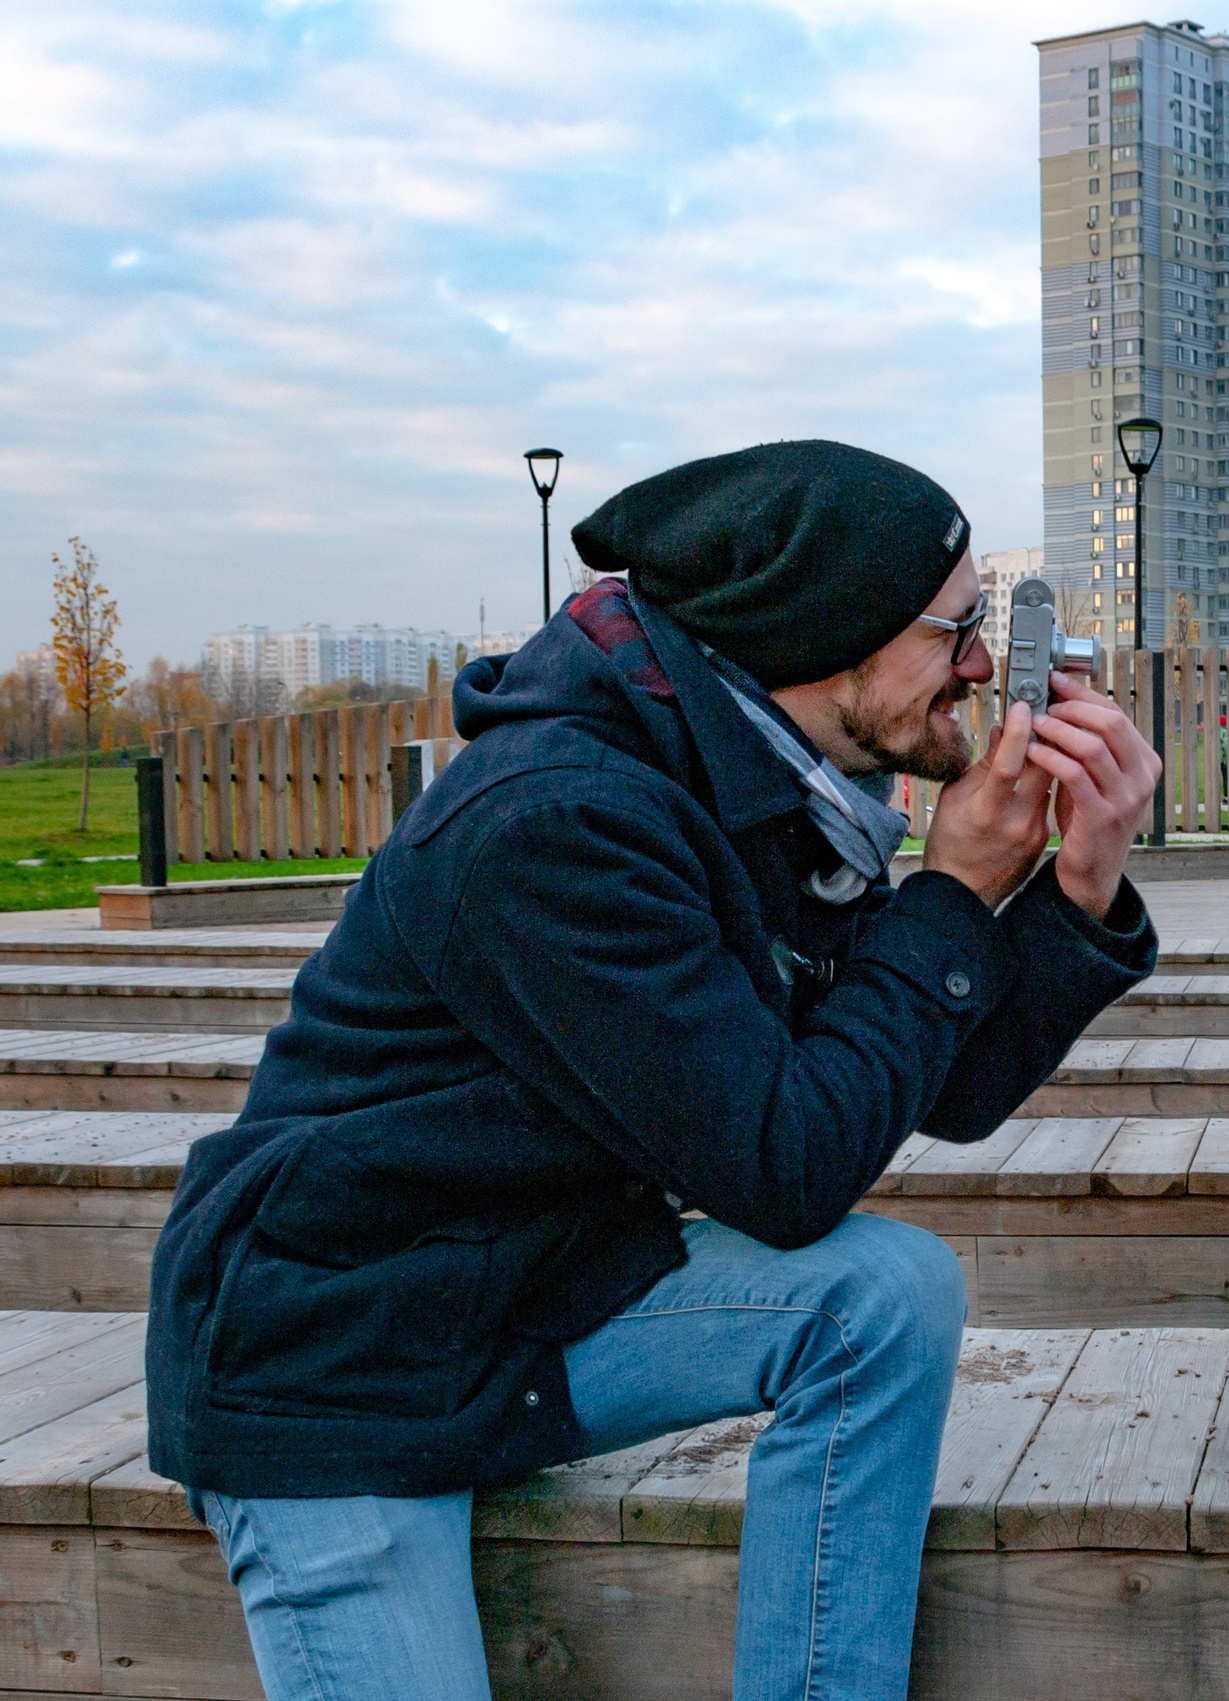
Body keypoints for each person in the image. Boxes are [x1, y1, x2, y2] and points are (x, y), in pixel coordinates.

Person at [146, 440, 1163, 1701]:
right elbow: (785, 1171)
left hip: (532, 1292)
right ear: (826, 634)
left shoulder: (759, 784)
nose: (982, 667)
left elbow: (930, 1088)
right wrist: (951, 893)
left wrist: (1075, 889)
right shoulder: (556, 823)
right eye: (956, 628)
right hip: (332, 1355)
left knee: (885, 1292)